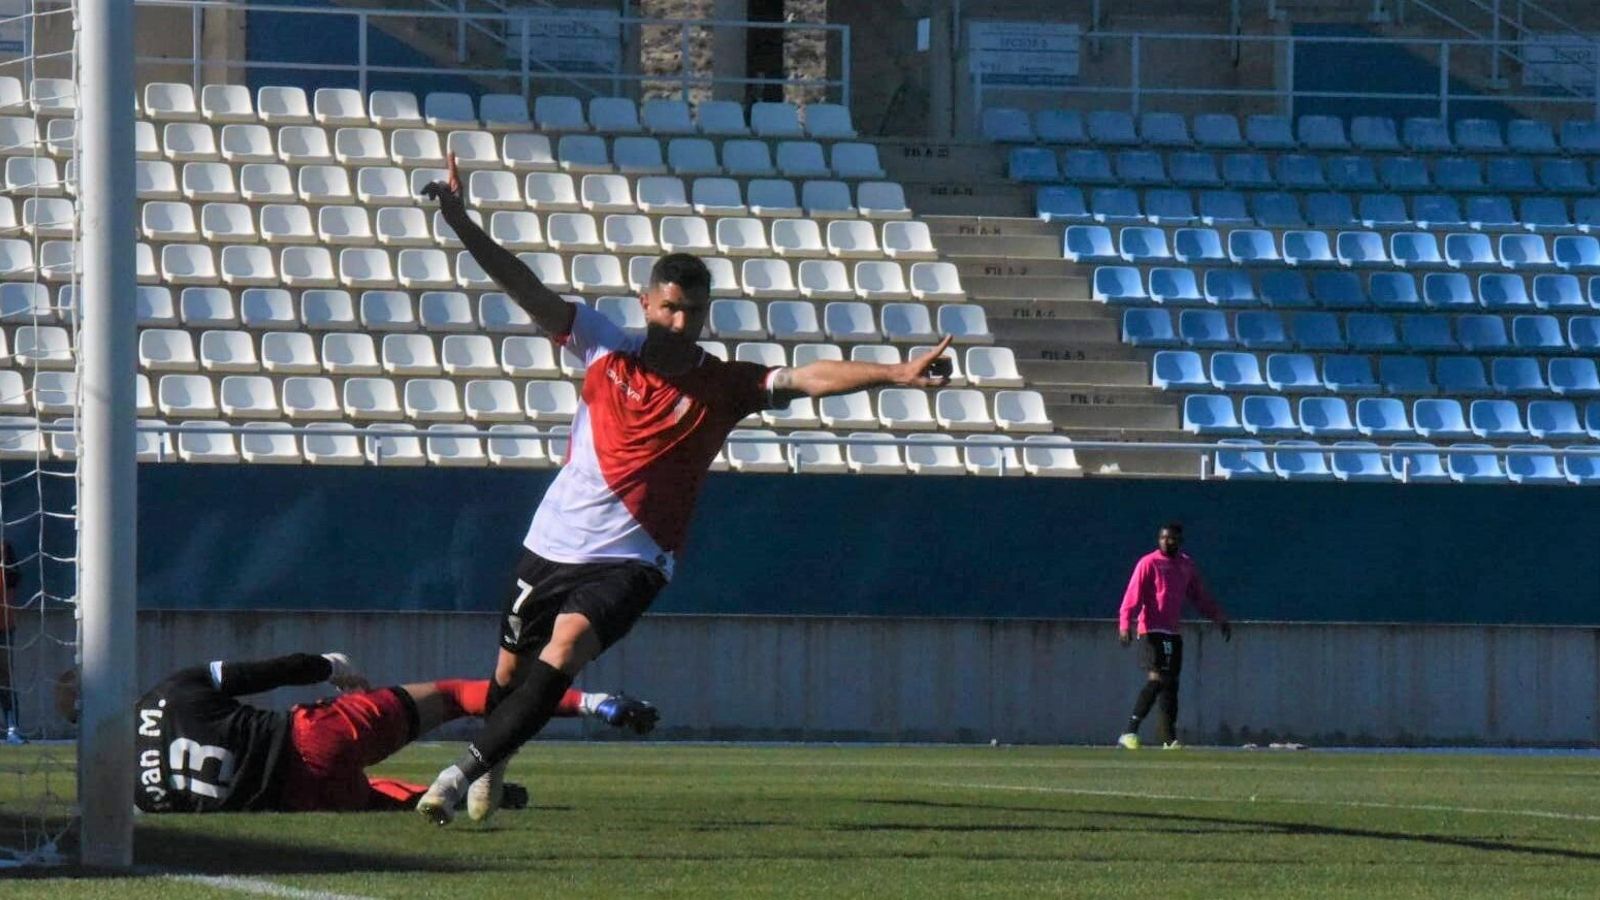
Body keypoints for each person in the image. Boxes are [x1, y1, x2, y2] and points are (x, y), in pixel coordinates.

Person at [414, 154, 955, 825]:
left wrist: (896, 373)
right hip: (551, 542)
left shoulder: (722, 383)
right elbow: (524, 286)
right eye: (669, 308)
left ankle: (458, 771)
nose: (679, 323)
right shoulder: (602, 347)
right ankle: (495, 760)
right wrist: (461, 221)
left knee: (566, 650)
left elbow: (807, 377)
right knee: (506, 676)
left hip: (635, 558)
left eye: (692, 312)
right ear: (647, 303)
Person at [58, 651, 657, 813]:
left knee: (383, 801)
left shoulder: (132, 795)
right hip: (311, 738)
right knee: (453, 697)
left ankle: (444, 795)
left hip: (301, 799)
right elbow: (260, 674)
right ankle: (592, 702)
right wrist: (325, 665)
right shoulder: (169, 691)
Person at [1116, 522, 1230, 750]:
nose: (1167, 542)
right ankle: (1129, 732)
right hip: (1151, 630)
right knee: (1157, 679)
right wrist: (1125, 623)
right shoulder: (1148, 563)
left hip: (1173, 632)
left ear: (1180, 540)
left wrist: (1219, 617)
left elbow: (1199, 596)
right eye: (1163, 538)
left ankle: (1169, 738)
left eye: (1172, 538)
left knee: (1171, 685)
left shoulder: (1186, 565)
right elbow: (1133, 594)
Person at [1, 541, 23, 744]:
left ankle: (12, 728)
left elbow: (14, 580)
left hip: (3, 626)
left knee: (5, 679)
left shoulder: (4, 547)